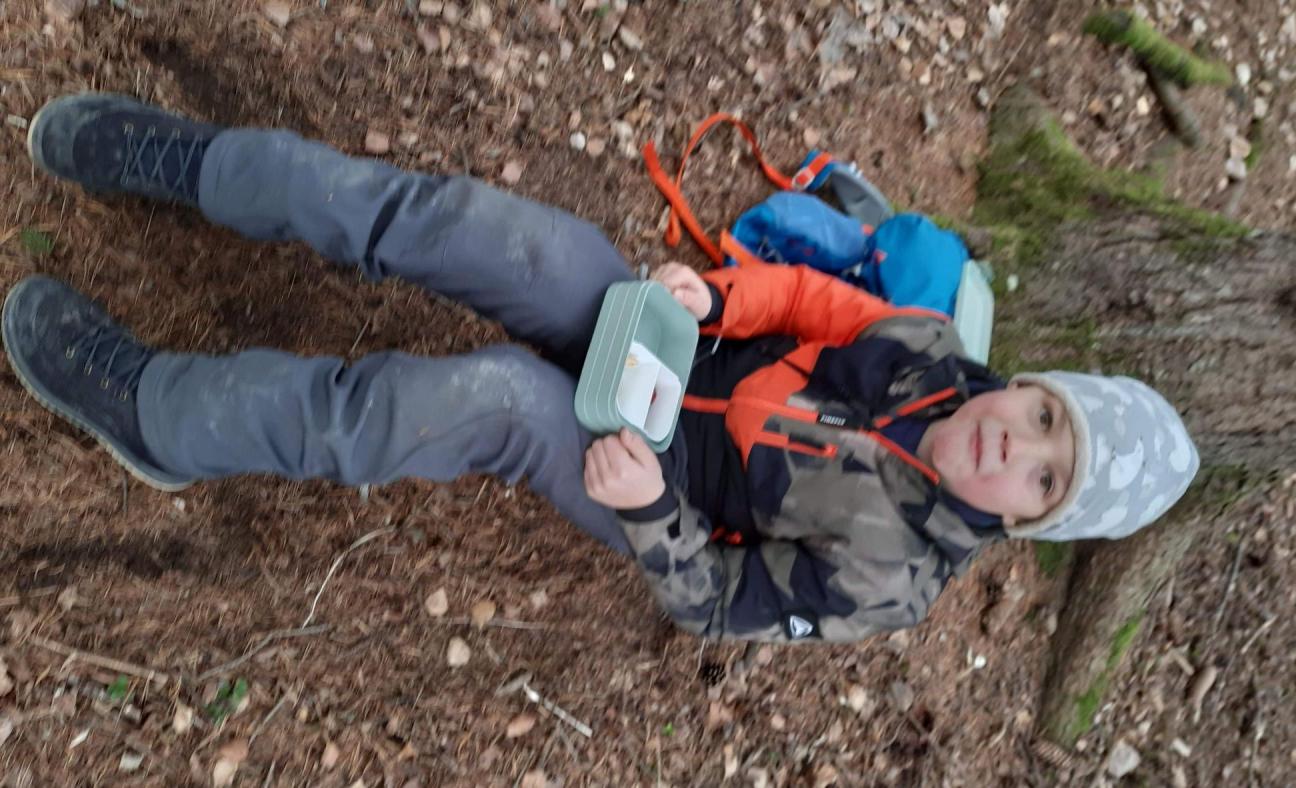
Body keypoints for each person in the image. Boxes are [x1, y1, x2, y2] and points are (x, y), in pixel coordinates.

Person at [4, 94, 1200, 643]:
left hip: (647, 469)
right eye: (1045, 416)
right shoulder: (933, 353)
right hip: (660, 340)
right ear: (1031, 383)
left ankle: (163, 414)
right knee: (482, 230)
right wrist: (716, 294)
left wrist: (649, 508)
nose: (1014, 443)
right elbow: (813, 301)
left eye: (1043, 478)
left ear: (1029, 522)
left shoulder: (891, 579)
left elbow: (719, 601)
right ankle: (201, 165)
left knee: (472, 398)